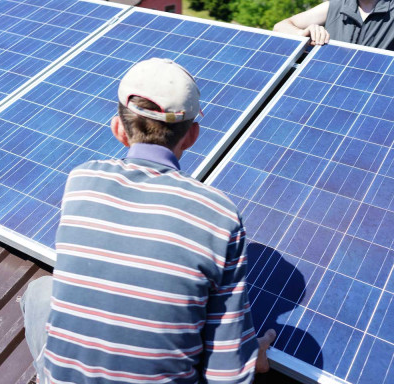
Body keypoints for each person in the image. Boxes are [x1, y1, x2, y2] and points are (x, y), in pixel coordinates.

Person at [20, 58, 276, 383]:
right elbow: (226, 372)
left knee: (41, 291)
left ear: (117, 128)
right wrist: (252, 355)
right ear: (193, 135)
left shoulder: (81, 180)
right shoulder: (218, 214)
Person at [273, 0, 394, 50]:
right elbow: (279, 27)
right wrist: (302, 33)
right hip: (327, 93)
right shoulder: (336, 6)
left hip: (375, 97)